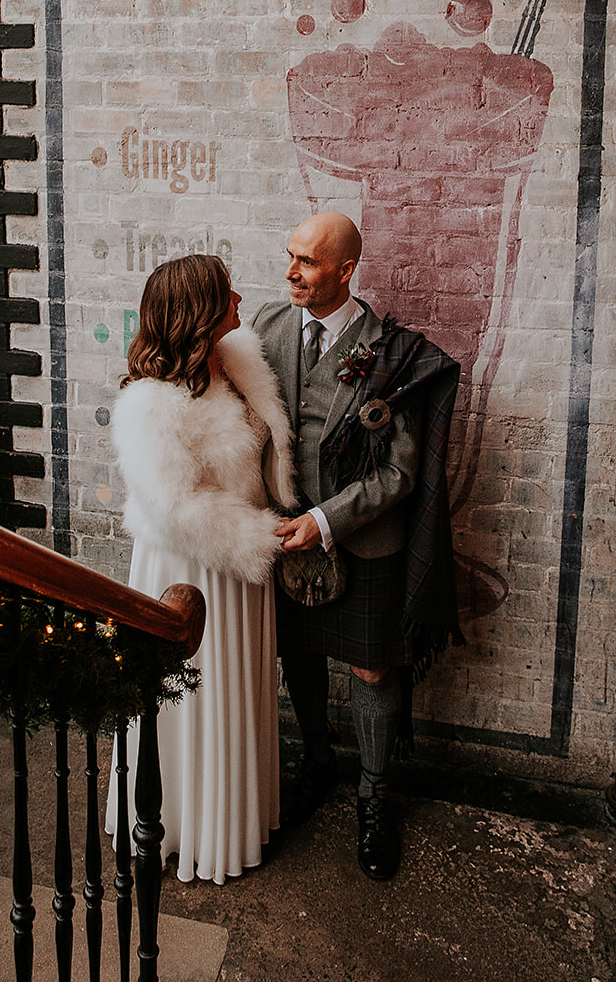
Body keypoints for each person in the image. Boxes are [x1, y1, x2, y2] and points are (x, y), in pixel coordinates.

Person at [253, 212, 461, 881]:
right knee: (300, 656)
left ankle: (374, 798)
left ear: (345, 271)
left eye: (307, 262)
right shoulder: (264, 328)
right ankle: (317, 763)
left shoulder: (391, 353)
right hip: (283, 540)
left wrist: (325, 519)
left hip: (361, 543)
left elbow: (399, 473)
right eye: (289, 256)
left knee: (371, 671)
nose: (291, 272)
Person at [106, 253, 295, 884]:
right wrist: (260, 537)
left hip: (243, 564)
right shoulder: (149, 404)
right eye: (225, 293)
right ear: (200, 312)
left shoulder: (237, 361)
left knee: (236, 687)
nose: (240, 297)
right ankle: (186, 826)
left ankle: (235, 815)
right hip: (195, 565)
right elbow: (178, 508)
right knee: (191, 698)